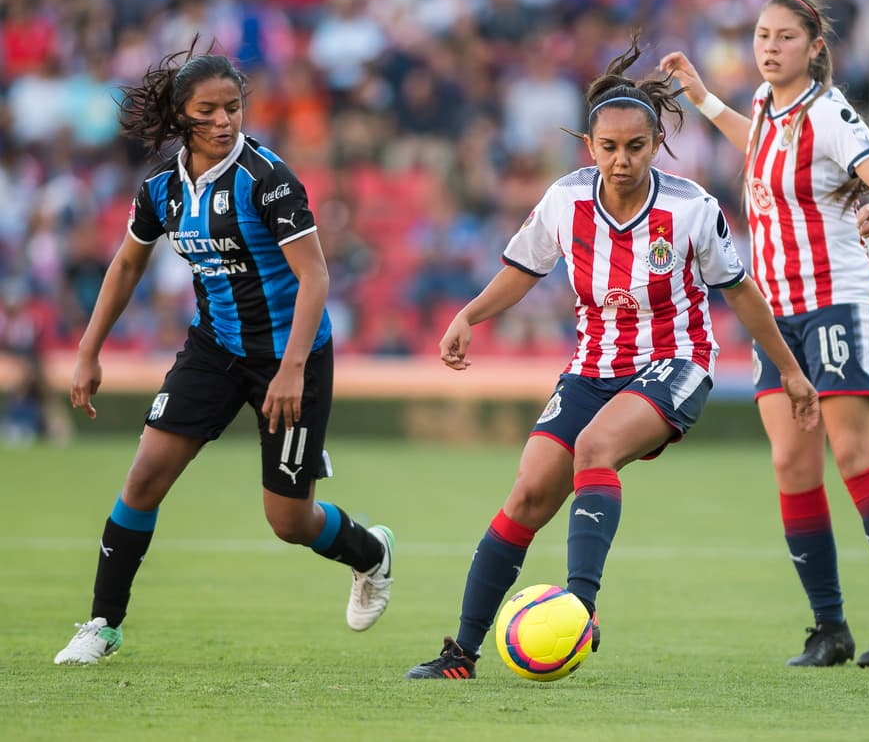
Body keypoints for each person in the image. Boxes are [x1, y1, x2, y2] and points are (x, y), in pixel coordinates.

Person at [405, 39, 820, 680]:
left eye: (635, 147)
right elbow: (522, 271)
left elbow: (740, 292)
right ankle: (459, 654)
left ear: (656, 145)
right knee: (528, 493)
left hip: (675, 363)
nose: (621, 160)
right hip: (592, 367)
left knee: (595, 447)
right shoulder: (564, 200)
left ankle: (580, 610)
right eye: (609, 147)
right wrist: (470, 315)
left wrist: (791, 371)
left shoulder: (691, 209)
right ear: (590, 147)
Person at [54, 44, 394, 665]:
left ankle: (371, 554)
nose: (223, 121)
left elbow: (315, 278)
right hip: (213, 348)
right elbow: (128, 263)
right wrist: (88, 350)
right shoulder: (161, 189)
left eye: (232, 107)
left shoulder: (268, 181)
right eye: (207, 111)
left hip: (292, 355)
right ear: (182, 116)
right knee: (144, 478)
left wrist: (290, 370)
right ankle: (101, 625)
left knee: (288, 521)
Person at [660, 0, 869, 668]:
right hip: (775, 309)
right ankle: (829, 627)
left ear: (815, 46)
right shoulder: (764, 103)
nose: (770, 46)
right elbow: (759, 149)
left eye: (785, 37)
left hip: (837, 299)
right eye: (762, 35)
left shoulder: (830, 112)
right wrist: (701, 96)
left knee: (852, 454)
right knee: (791, 461)